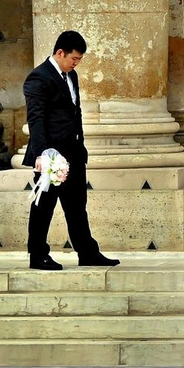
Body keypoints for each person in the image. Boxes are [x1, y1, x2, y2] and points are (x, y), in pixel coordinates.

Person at [23, 30, 117, 270]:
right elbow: (36, 119)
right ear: (60, 52)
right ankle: (37, 255)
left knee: (77, 206)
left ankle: (87, 252)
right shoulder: (38, 78)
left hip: (74, 152)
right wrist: (43, 154)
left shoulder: (71, 75)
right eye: (74, 59)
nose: (76, 64)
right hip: (52, 155)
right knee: (43, 206)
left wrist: (81, 146)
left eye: (79, 60)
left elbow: (76, 113)